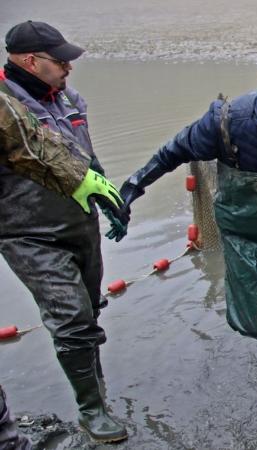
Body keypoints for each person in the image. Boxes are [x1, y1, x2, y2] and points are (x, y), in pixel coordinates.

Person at [117, 60, 257, 383]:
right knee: (250, 322)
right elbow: (172, 152)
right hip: (242, 236)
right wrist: (134, 185)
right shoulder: (225, 122)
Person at [0, 21, 129, 443]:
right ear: (30, 61)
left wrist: (110, 200)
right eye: (61, 61)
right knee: (71, 317)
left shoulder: (69, 99)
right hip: (28, 231)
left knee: (90, 307)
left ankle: (94, 383)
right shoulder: (5, 106)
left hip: (79, 222)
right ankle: (92, 410)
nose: (69, 68)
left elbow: (84, 156)